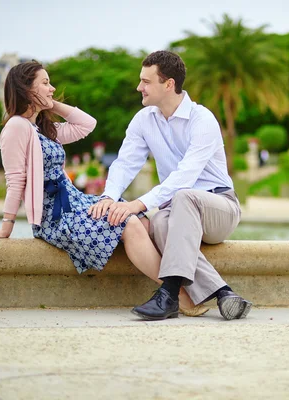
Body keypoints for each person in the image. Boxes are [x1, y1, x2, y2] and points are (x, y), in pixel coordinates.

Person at [0, 61, 206, 317]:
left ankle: (176, 291)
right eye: (44, 83)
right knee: (128, 222)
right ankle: (178, 295)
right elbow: (15, 179)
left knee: (138, 220)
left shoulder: (41, 128)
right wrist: (6, 227)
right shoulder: (16, 127)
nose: (52, 88)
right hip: (56, 216)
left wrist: (50, 105)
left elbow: (87, 125)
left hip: (75, 203)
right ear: (25, 88)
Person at [89, 50, 252, 321]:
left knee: (183, 197)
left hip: (219, 207)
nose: (138, 87)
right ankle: (224, 292)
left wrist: (137, 204)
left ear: (169, 84)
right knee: (161, 224)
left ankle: (169, 292)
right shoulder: (143, 120)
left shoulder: (202, 120)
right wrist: (109, 195)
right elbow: (125, 163)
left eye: (146, 81)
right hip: (178, 210)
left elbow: (184, 177)